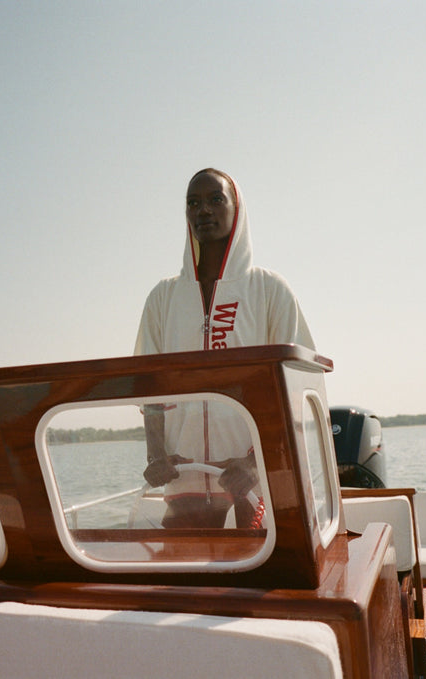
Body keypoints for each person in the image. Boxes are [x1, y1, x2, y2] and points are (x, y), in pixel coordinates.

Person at [134, 168, 314, 528]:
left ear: (237, 208)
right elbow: (147, 387)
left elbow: (297, 389)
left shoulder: (269, 290)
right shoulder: (163, 297)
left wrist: (252, 463)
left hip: (254, 488)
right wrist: (156, 455)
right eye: (193, 202)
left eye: (216, 199)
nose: (204, 210)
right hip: (181, 486)